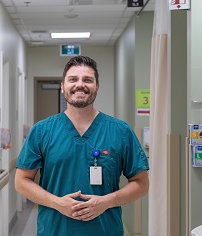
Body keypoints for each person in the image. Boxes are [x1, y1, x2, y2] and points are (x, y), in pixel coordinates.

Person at [15, 55, 149, 236]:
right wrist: (57, 203)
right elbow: (21, 181)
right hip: (55, 230)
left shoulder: (120, 131)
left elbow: (141, 184)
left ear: (97, 87)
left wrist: (106, 202)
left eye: (87, 80)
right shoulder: (42, 131)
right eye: (73, 79)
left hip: (105, 230)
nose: (80, 84)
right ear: (63, 87)